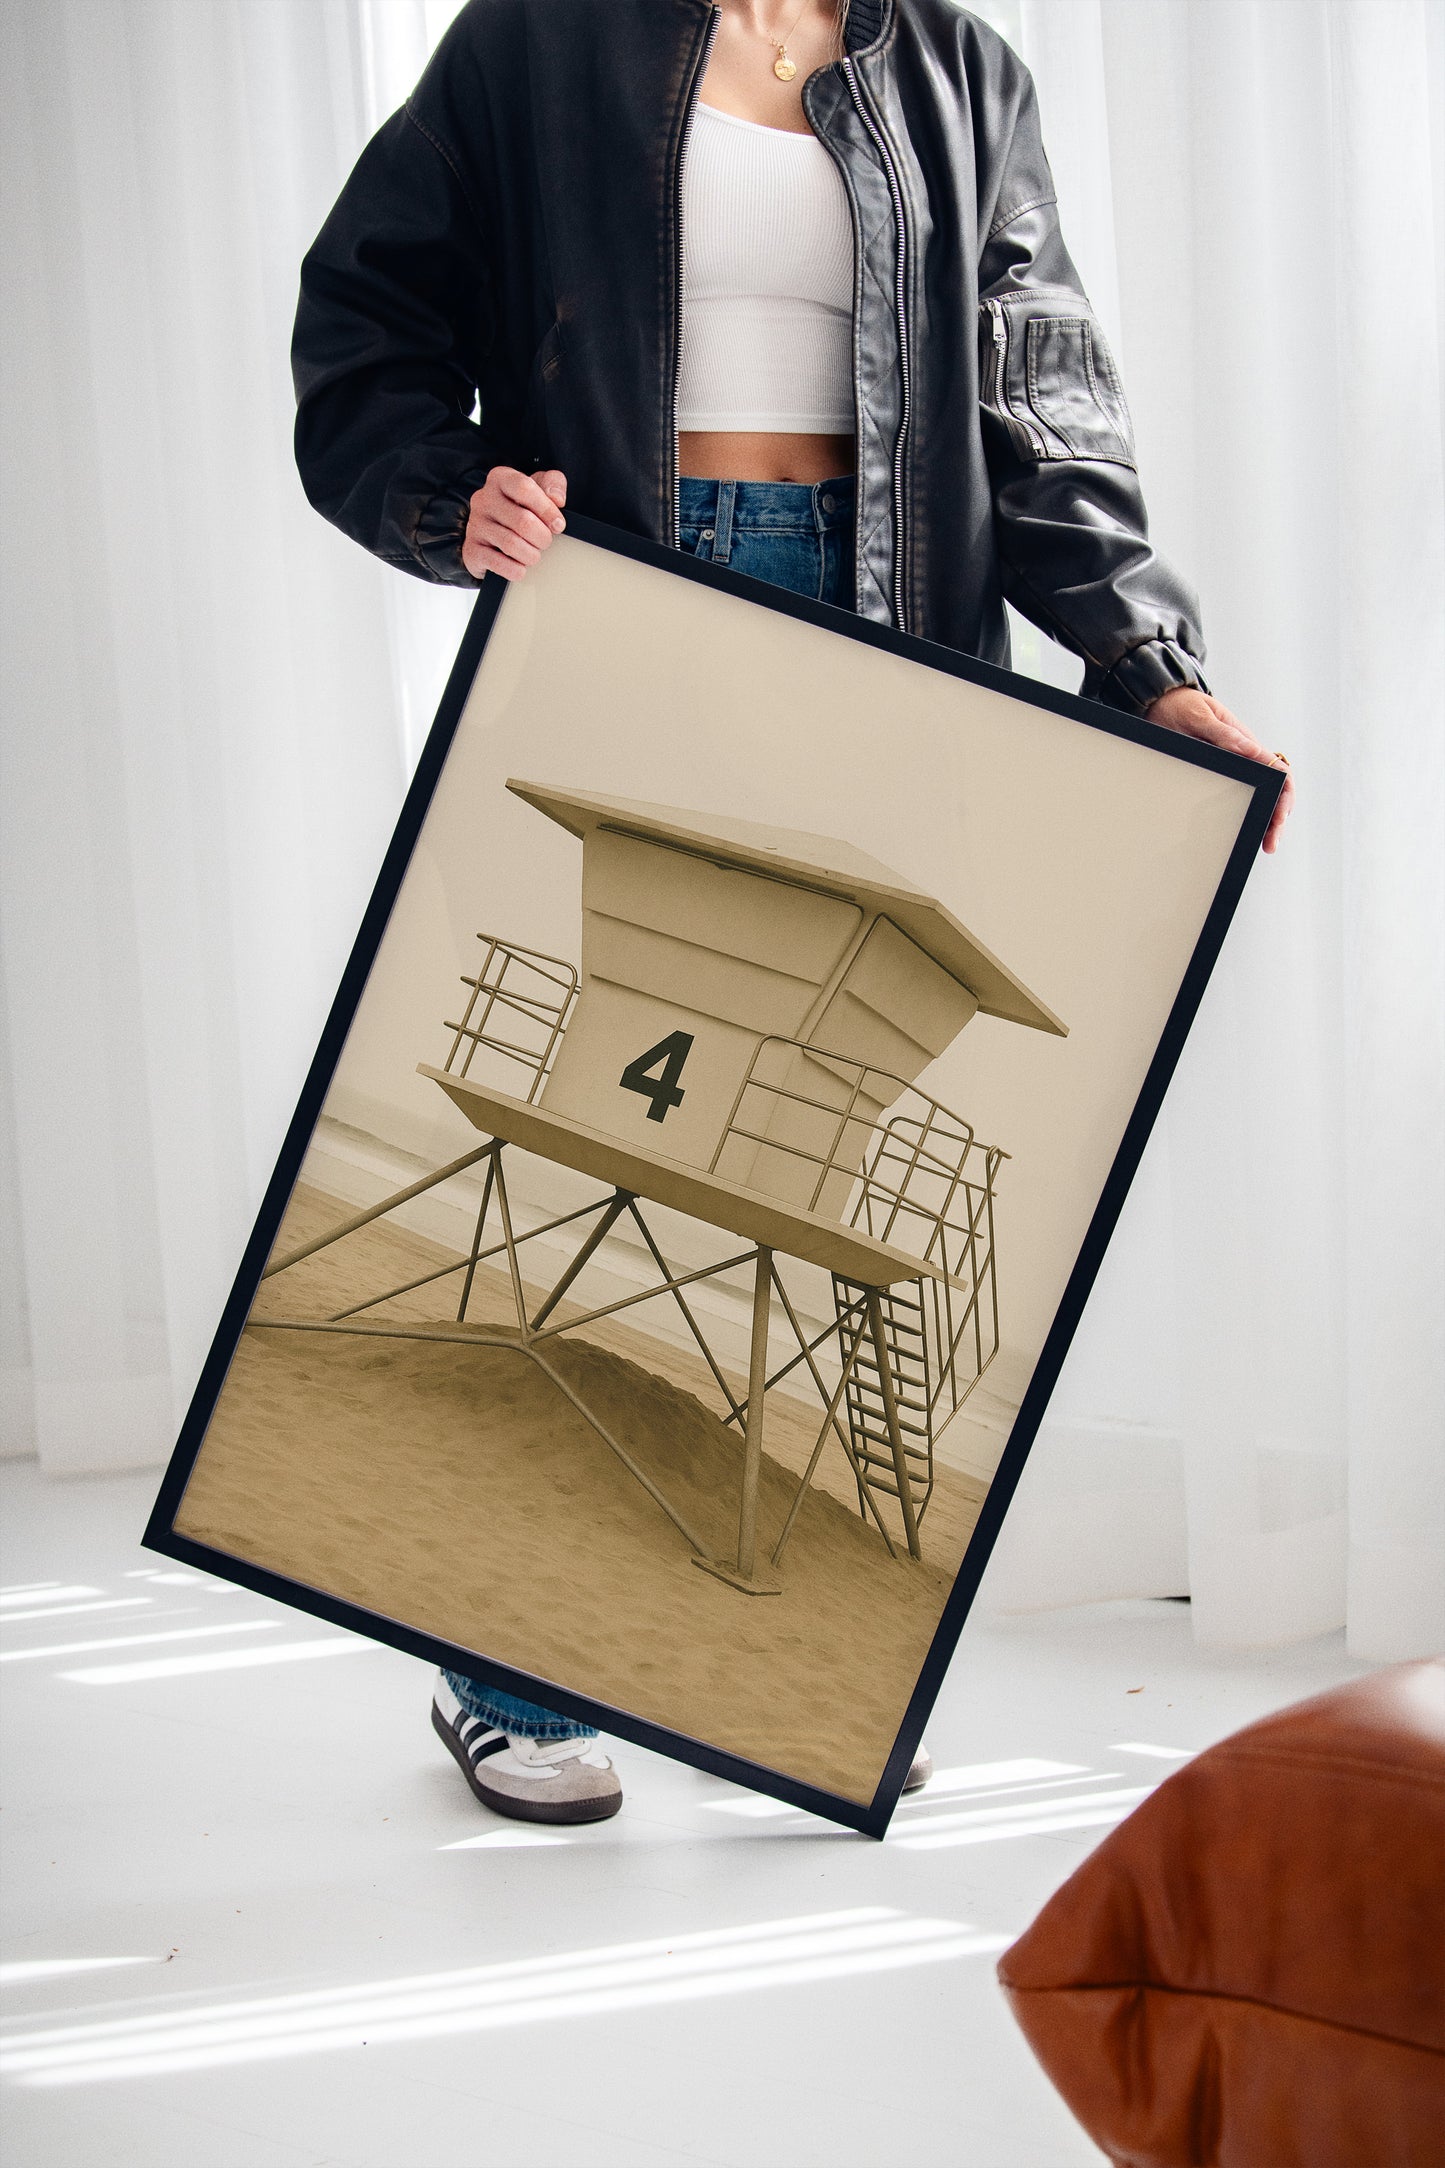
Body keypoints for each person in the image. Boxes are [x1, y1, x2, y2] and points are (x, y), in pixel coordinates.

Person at [292, 0, 1294, 1827]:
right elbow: (369, 318)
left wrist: (1149, 666)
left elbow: (1036, 396)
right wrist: (455, 498)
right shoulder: (536, 41)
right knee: (602, 1127)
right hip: (629, 592)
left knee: (800, 1171)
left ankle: (800, 1677)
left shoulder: (962, 72)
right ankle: (511, 1670)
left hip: (891, 617)